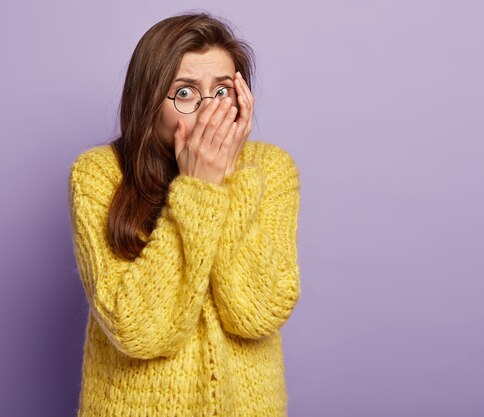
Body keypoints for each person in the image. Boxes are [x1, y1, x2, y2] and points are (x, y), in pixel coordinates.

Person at [67, 11, 301, 417]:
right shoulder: (97, 174)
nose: (209, 112)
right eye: (186, 93)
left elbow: (257, 314)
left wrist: (227, 180)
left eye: (223, 91)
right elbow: (137, 330)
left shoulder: (271, 169)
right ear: (148, 102)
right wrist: (197, 190)